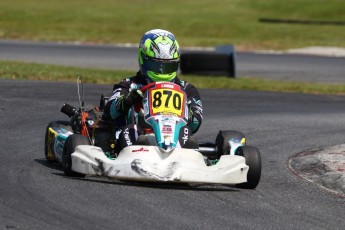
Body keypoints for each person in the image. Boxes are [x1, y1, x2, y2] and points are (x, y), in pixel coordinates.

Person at [105, 29, 203, 151]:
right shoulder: (129, 85)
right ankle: (130, 158)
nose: (162, 71)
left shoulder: (187, 89)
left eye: (168, 66)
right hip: (139, 138)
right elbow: (109, 110)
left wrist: (188, 112)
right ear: (143, 59)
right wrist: (128, 100)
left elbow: (196, 123)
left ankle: (183, 158)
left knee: (186, 130)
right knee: (129, 130)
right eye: (156, 65)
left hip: (176, 140)